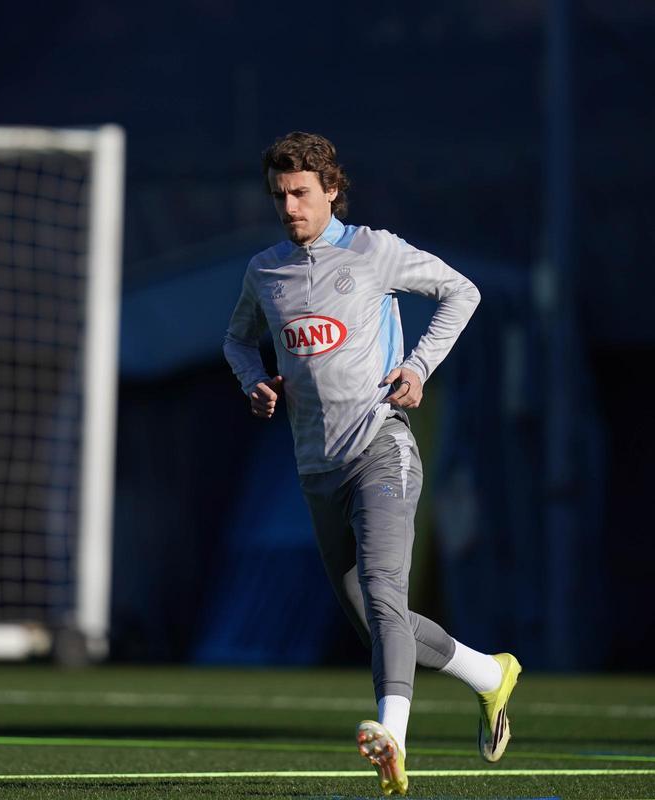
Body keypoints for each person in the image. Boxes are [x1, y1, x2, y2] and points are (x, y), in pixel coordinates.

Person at [222, 132, 521, 796]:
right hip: (316, 469)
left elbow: (461, 292)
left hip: (382, 446)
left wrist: (417, 367)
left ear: (331, 189)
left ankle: (394, 740)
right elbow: (237, 339)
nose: (290, 207)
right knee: (375, 618)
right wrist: (253, 381)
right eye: (280, 196)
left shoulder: (373, 250)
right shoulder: (264, 272)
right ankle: (489, 674)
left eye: (301, 193)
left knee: (386, 596)